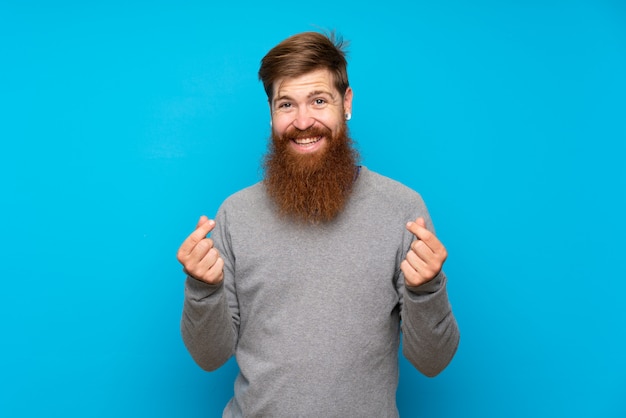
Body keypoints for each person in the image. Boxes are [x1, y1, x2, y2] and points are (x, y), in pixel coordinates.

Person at [177, 31, 460, 417]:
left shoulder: (403, 209)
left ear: (346, 104)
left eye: (319, 100)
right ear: (272, 114)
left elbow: (434, 362)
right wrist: (202, 289)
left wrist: (427, 289)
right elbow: (209, 358)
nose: (303, 120)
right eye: (286, 104)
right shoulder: (235, 214)